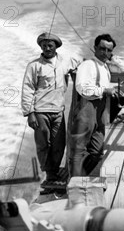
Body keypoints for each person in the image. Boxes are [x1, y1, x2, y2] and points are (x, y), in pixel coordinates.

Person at [21, 32, 81, 187]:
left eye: (50, 45)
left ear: (56, 47)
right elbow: (27, 89)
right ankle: (50, 174)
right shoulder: (34, 66)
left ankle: (54, 171)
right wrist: (30, 113)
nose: (47, 48)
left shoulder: (65, 62)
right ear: (40, 46)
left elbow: (81, 63)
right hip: (40, 111)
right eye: (44, 45)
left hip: (58, 111)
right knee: (43, 144)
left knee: (59, 144)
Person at [69, 34, 121, 177]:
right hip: (86, 109)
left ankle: (82, 177)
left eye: (109, 50)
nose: (105, 53)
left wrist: (114, 60)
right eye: (102, 49)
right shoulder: (88, 65)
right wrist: (104, 90)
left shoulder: (105, 67)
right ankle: (74, 182)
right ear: (95, 48)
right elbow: (82, 88)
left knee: (97, 152)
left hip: (100, 112)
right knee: (78, 150)